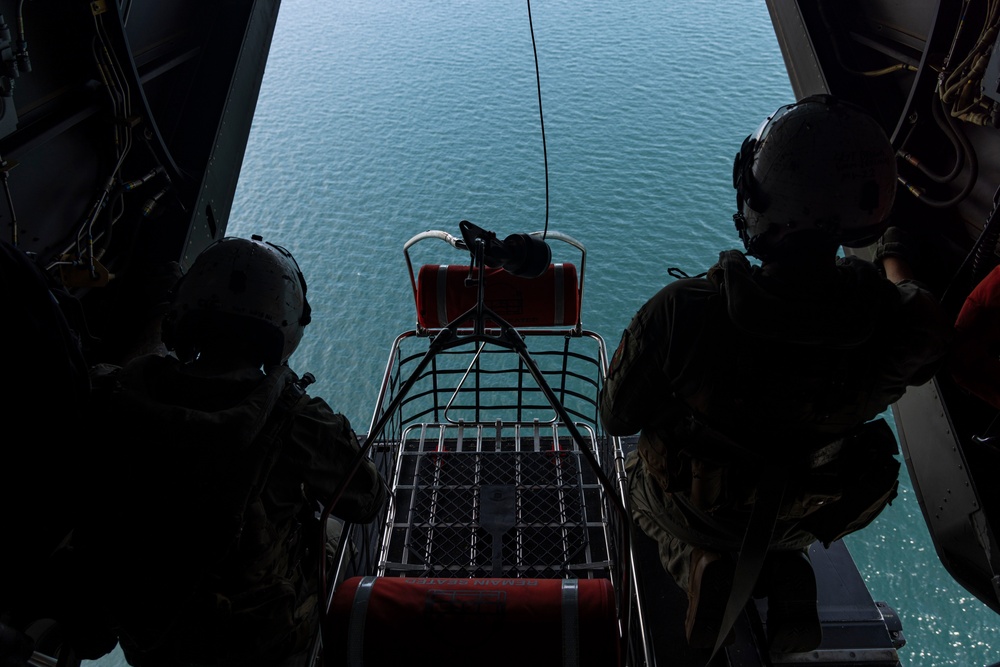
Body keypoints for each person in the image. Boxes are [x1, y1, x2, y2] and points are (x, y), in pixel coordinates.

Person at [600, 95, 951, 654]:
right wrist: (894, 255)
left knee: (637, 478)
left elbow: (615, 416)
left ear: (763, 201)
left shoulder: (682, 311)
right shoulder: (899, 326)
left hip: (700, 512)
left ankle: (695, 561)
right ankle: (785, 564)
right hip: (804, 511)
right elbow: (917, 308)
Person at [71, 235, 387, 667]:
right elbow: (369, 499)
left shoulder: (111, 394)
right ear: (285, 325)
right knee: (335, 532)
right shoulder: (293, 418)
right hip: (263, 644)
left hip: (155, 642)